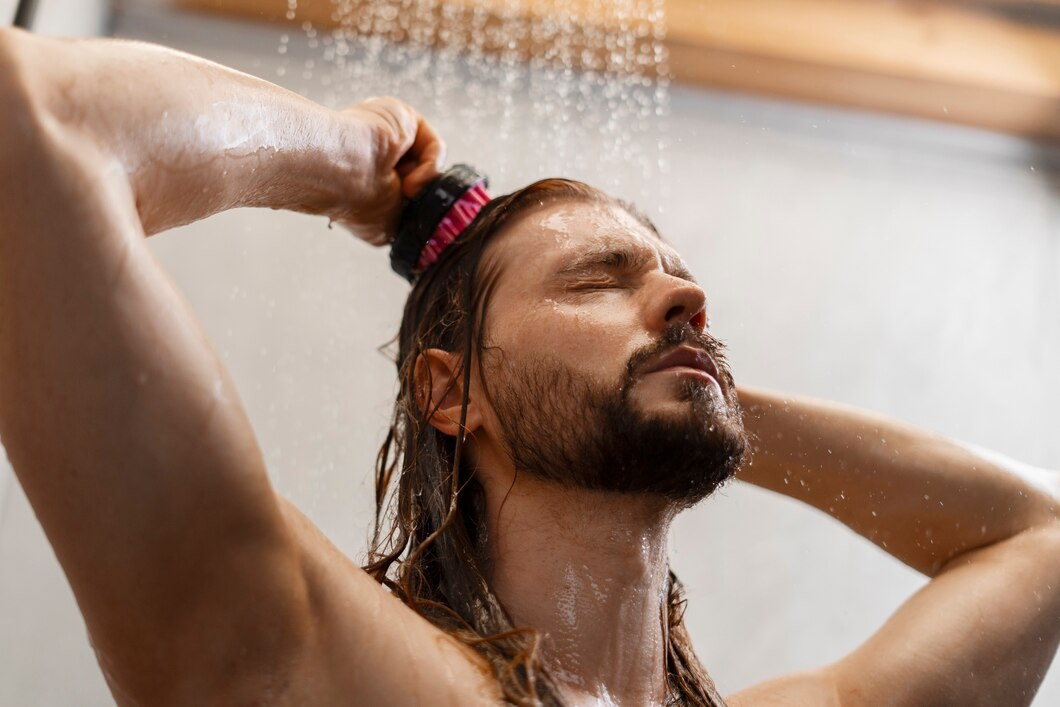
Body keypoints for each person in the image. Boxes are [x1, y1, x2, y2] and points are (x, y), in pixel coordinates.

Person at [0, 27, 1057, 707]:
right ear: (452, 391)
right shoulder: (325, 668)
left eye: (681, 285)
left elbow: (1036, 532)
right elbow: (29, 121)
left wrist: (689, 388)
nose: (685, 298)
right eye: (598, 280)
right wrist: (351, 162)